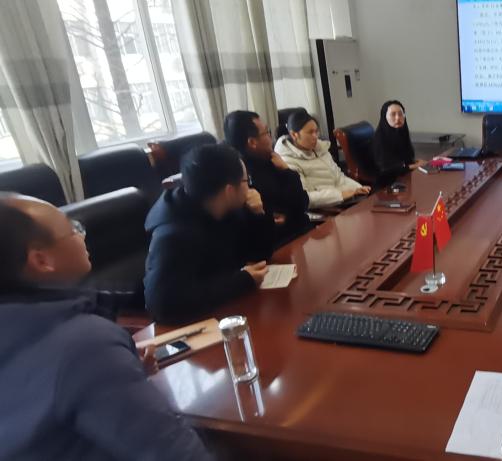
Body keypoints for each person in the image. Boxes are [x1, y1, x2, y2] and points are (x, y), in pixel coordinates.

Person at [0, 193, 211, 460]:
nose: (82, 235)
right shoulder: (83, 345)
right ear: (42, 261)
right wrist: (105, 368)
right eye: (73, 228)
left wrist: (118, 375)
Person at [144, 144, 274, 324]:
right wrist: (242, 281)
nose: (250, 187)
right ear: (229, 191)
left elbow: (260, 254)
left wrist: (258, 214)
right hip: (199, 325)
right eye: (246, 181)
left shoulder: (226, 207)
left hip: (228, 310)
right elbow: (163, 306)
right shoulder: (173, 234)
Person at [224, 110, 311, 244]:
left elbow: (303, 202)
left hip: (301, 233)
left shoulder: (273, 161)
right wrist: (290, 215)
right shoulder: (241, 177)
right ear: (252, 142)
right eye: (267, 132)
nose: (272, 138)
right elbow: (272, 221)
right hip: (280, 244)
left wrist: (287, 171)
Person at [275, 110, 370, 208]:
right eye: (310, 132)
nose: (315, 136)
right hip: (325, 208)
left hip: (344, 200)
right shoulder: (287, 161)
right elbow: (305, 197)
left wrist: (358, 188)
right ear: (294, 135)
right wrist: (341, 195)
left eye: (316, 131)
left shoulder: (320, 149)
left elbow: (339, 178)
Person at [372, 100, 426, 176]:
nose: (397, 118)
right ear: (385, 117)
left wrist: (414, 161)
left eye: (400, 114)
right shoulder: (380, 139)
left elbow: (400, 160)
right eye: (393, 114)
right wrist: (415, 165)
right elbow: (387, 169)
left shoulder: (401, 133)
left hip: (402, 176)